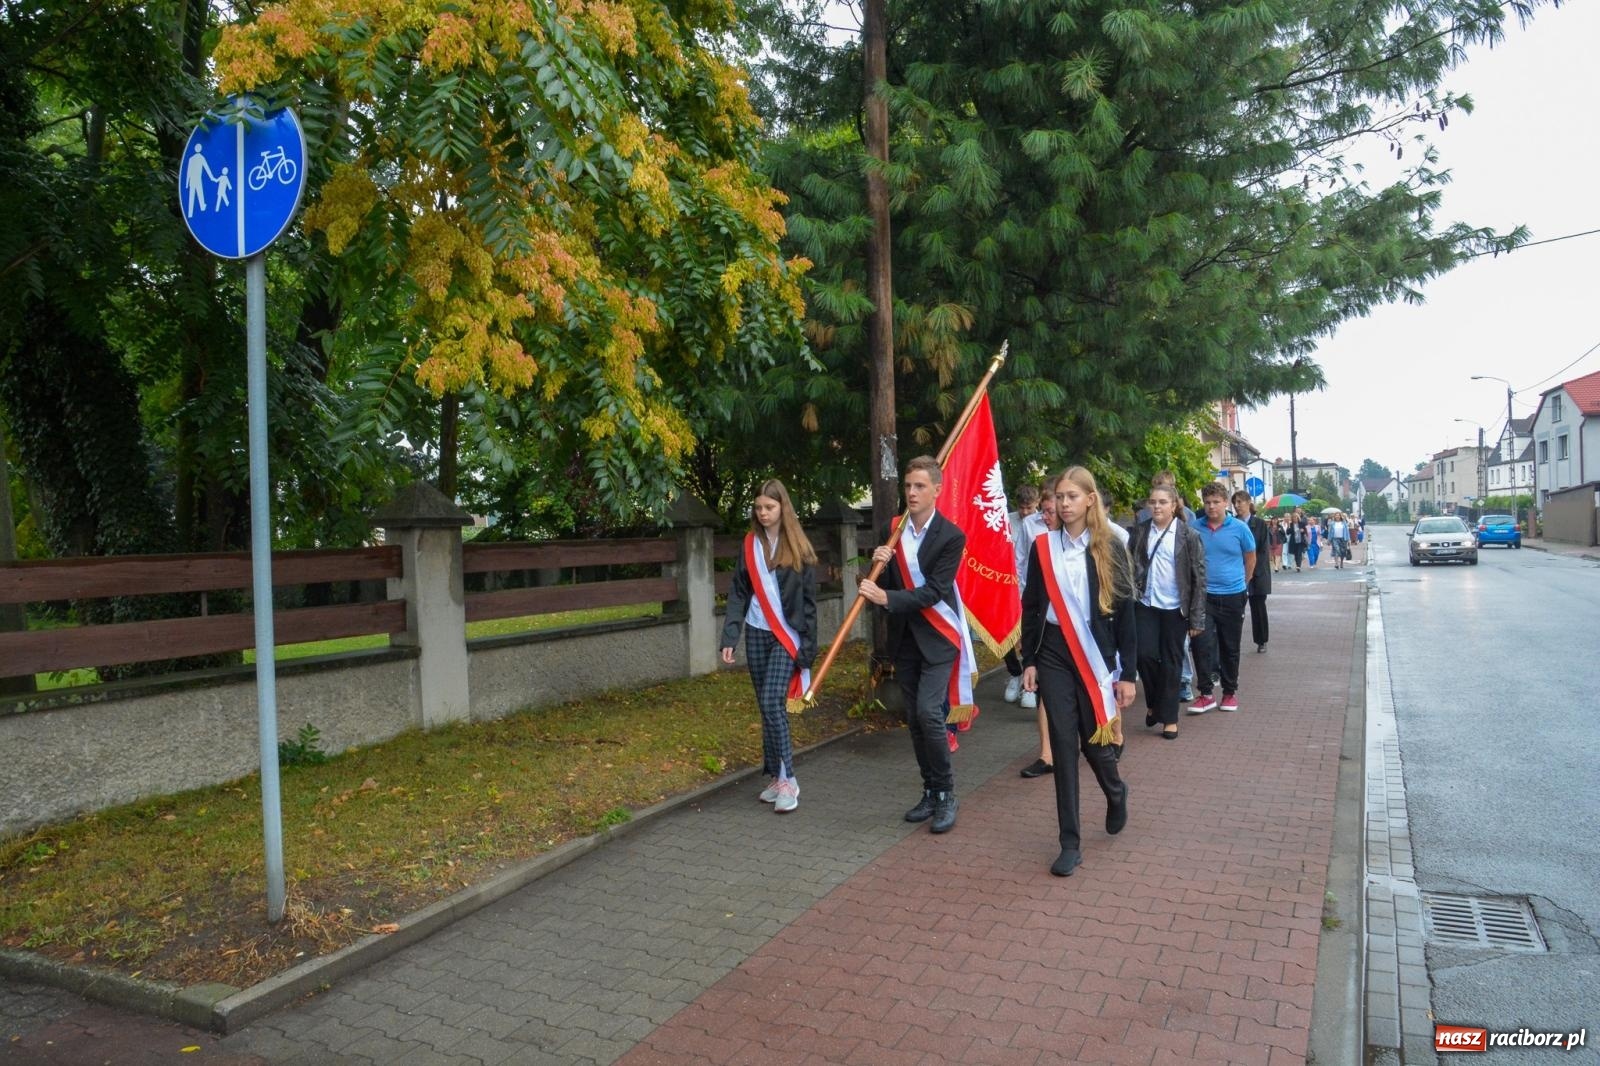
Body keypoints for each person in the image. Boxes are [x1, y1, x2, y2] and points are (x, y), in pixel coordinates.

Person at [1020, 467, 1136, 877]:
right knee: (1063, 743)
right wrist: (1029, 660)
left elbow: (1125, 616)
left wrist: (1128, 675)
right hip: (1052, 652)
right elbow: (1031, 606)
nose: (1064, 503)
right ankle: (1070, 842)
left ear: (1090, 500)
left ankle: (1115, 790)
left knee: (1092, 741)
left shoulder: (1112, 547)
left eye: (1072, 496)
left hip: (1094, 657)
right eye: (1060, 496)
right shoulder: (1042, 547)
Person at [858, 456, 969, 835]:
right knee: (915, 720)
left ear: (937, 490)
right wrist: (878, 563)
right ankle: (931, 790)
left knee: (929, 714)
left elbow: (933, 591)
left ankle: (948, 793)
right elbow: (887, 582)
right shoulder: (894, 532)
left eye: (920, 486)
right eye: (908, 486)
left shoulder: (951, 536)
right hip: (906, 640)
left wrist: (884, 597)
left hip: (939, 640)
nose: (912, 493)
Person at [720, 480, 819, 813]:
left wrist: (808, 650)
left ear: (782, 508)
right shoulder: (749, 544)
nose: (763, 513)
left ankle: (790, 779)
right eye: (759, 507)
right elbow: (738, 591)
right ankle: (776, 776)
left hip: (786, 635)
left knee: (772, 700)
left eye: (769, 507)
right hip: (756, 630)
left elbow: (808, 605)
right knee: (766, 708)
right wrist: (730, 636)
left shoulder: (799, 549)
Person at [1129, 485, 1206, 739]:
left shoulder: (1188, 535)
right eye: (1153, 502)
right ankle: (1153, 703)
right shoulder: (1140, 532)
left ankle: (1169, 718)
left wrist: (1196, 617)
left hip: (1176, 608)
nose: (1157, 507)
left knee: (1172, 662)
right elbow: (1131, 569)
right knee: (1145, 655)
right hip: (1147, 604)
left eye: (1162, 502)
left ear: (1174, 505)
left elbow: (1198, 579)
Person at [1188, 482, 1257, 714]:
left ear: (1225, 503)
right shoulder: (1194, 527)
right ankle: (1206, 693)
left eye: (1216, 502)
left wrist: (1243, 584)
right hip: (1204, 596)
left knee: (1230, 646)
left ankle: (1229, 692)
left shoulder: (1239, 528)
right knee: (1201, 644)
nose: (1211, 507)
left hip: (1233, 595)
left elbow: (1250, 557)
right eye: (1207, 502)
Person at [1019, 478, 1059, 778]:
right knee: (1045, 692)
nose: (1044, 518)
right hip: (1049, 632)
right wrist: (1028, 652)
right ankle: (1046, 754)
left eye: (1049, 511)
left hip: (1085, 636)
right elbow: (1030, 600)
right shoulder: (1040, 544)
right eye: (1042, 511)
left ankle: (1110, 738)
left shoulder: (1099, 541)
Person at [1001, 484, 1040, 704]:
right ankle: (1015, 673)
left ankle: (1029, 684)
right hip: (1008, 587)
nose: (1025, 512)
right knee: (1004, 635)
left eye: (1029, 507)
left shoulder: (1041, 523)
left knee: (1028, 636)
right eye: (1022, 507)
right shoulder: (1007, 520)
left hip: (1031, 589)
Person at [1232, 491, 1272, 653]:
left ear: (1249, 503)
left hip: (1257, 575)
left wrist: (1251, 570)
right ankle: (1232, 642)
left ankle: (1262, 640)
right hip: (1235, 573)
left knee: (1258, 608)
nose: (1237, 505)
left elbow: (1263, 551)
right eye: (1235, 502)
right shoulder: (1231, 523)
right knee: (1233, 610)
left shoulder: (1260, 524)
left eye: (1240, 502)